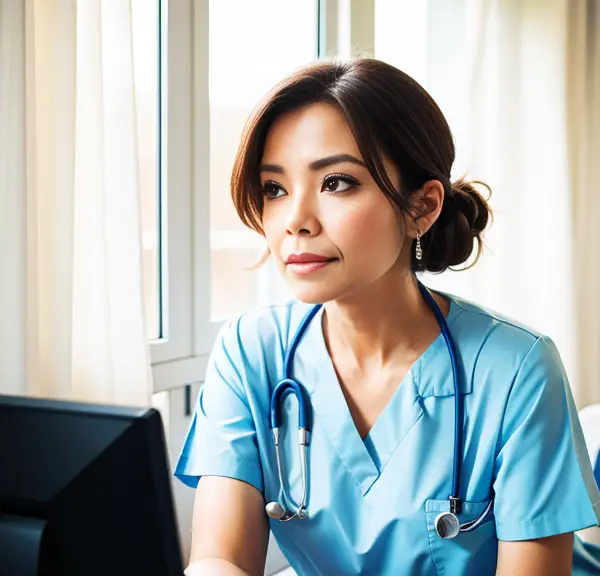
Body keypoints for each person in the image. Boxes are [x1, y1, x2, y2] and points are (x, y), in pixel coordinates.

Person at [174, 58, 600, 575]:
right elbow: (218, 558)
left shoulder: (517, 369)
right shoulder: (250, 350)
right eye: (275, 189)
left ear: (422, 207)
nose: (295, 222)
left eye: (336, 182)